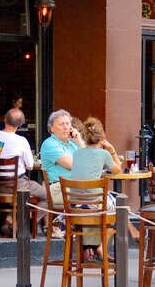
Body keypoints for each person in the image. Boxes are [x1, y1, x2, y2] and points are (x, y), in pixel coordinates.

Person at [68, 117, 123, 262]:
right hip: (94, 204)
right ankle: (102, 246)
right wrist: (112, 150)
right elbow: (118, 170)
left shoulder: (77, 153)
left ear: (85, 137)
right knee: (120, 203)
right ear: (102, 137)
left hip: (74, 205)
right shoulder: (104, 154)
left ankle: (90, 247)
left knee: (110, 198)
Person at [0, 108, 47, 236]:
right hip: (18, 185)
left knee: (17, 200)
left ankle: (9, 219)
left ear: (5, 120)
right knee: (49, 197)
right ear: (21, 125)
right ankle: (19, 223)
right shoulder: (21, 141)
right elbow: (30, 165)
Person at [40, 109, 85, 213]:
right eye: (61, 124)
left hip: (78, 186)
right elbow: (72, 165)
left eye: (68, 123)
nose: (65, 127)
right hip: (59, 188)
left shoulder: (74, 144)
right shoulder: (50, 144)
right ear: (52, 128)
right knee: (96, 198)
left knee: (110, 198)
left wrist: (80, 142)